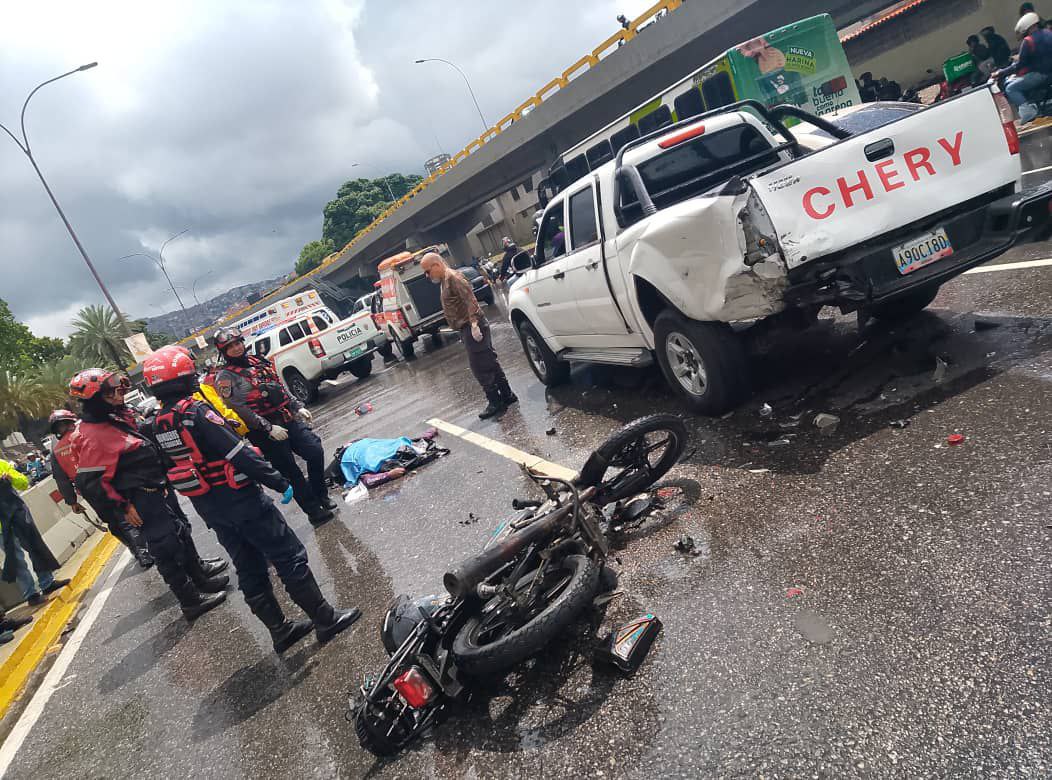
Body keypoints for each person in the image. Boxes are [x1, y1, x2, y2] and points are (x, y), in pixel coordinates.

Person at [143, 346, 360, 652]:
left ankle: (280, 631)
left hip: (209, 506)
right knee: (288, 555)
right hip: (240, 499)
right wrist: (277, 481)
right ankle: (325, 619)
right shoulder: (196, 412)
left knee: (248, 567)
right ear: (183, 376)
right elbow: (238, 453)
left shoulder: (159, 423)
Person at [70, 368, 229, 621]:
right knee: (165, 549)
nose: (118, 393)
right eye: (110, 390)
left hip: (154, 490)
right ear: (95, 398)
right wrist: (123, 507)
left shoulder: (112, 418)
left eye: (117, 387)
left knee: (179, 533)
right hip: (137, 499)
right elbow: (91, 483)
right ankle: (190, 601)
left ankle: (200, 580)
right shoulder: (91, 435)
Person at [213, 328, 337, 526]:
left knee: (314, 449)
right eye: (230, 347)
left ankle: (320, 494)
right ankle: (313, 511)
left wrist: (296, 405)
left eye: (238, 343)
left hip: (286, 416)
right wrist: (268, 427)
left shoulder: (258, 361)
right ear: (223, 351)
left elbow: (278, 386)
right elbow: (238, 407)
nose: (236, 348)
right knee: (291, 470)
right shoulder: (225, 378)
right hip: (263, 429)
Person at [48, 409, 154, 568]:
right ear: (71, 421)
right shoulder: (85, 434)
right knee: (123, 515)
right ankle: (143, 551)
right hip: (107, 481)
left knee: (112, 522)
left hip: (88, 491)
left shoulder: (56, 453)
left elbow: (61, 480)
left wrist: (72, 502)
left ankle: (136, 550)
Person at [420, 252, 517, 419]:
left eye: (428, 271)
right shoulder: (445, 281)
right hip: (466, 328)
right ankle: (507, 395)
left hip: (472, 326)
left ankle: (495, 401)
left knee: (479, 367)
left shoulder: (453, 278)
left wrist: (473, 325)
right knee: (489, 362)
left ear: (436, 265)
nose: (427, 276)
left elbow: (470, 300)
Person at [0, 458, 69, 606]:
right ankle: (30, 594)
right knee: (16, 559)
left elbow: (24, 483)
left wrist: (11, 477)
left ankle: (47, 583)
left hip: (18, 514)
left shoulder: (1, 464)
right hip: (1, 527)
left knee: (35, 546)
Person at [994, 12, 1052, 124]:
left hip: (1040, 74)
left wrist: (1001, 72)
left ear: (1027, 27)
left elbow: (1019, 65)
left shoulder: (1028, 41)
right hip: (1049, 72)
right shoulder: (1048, 33)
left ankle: (1029, 111)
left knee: (1011, 88)